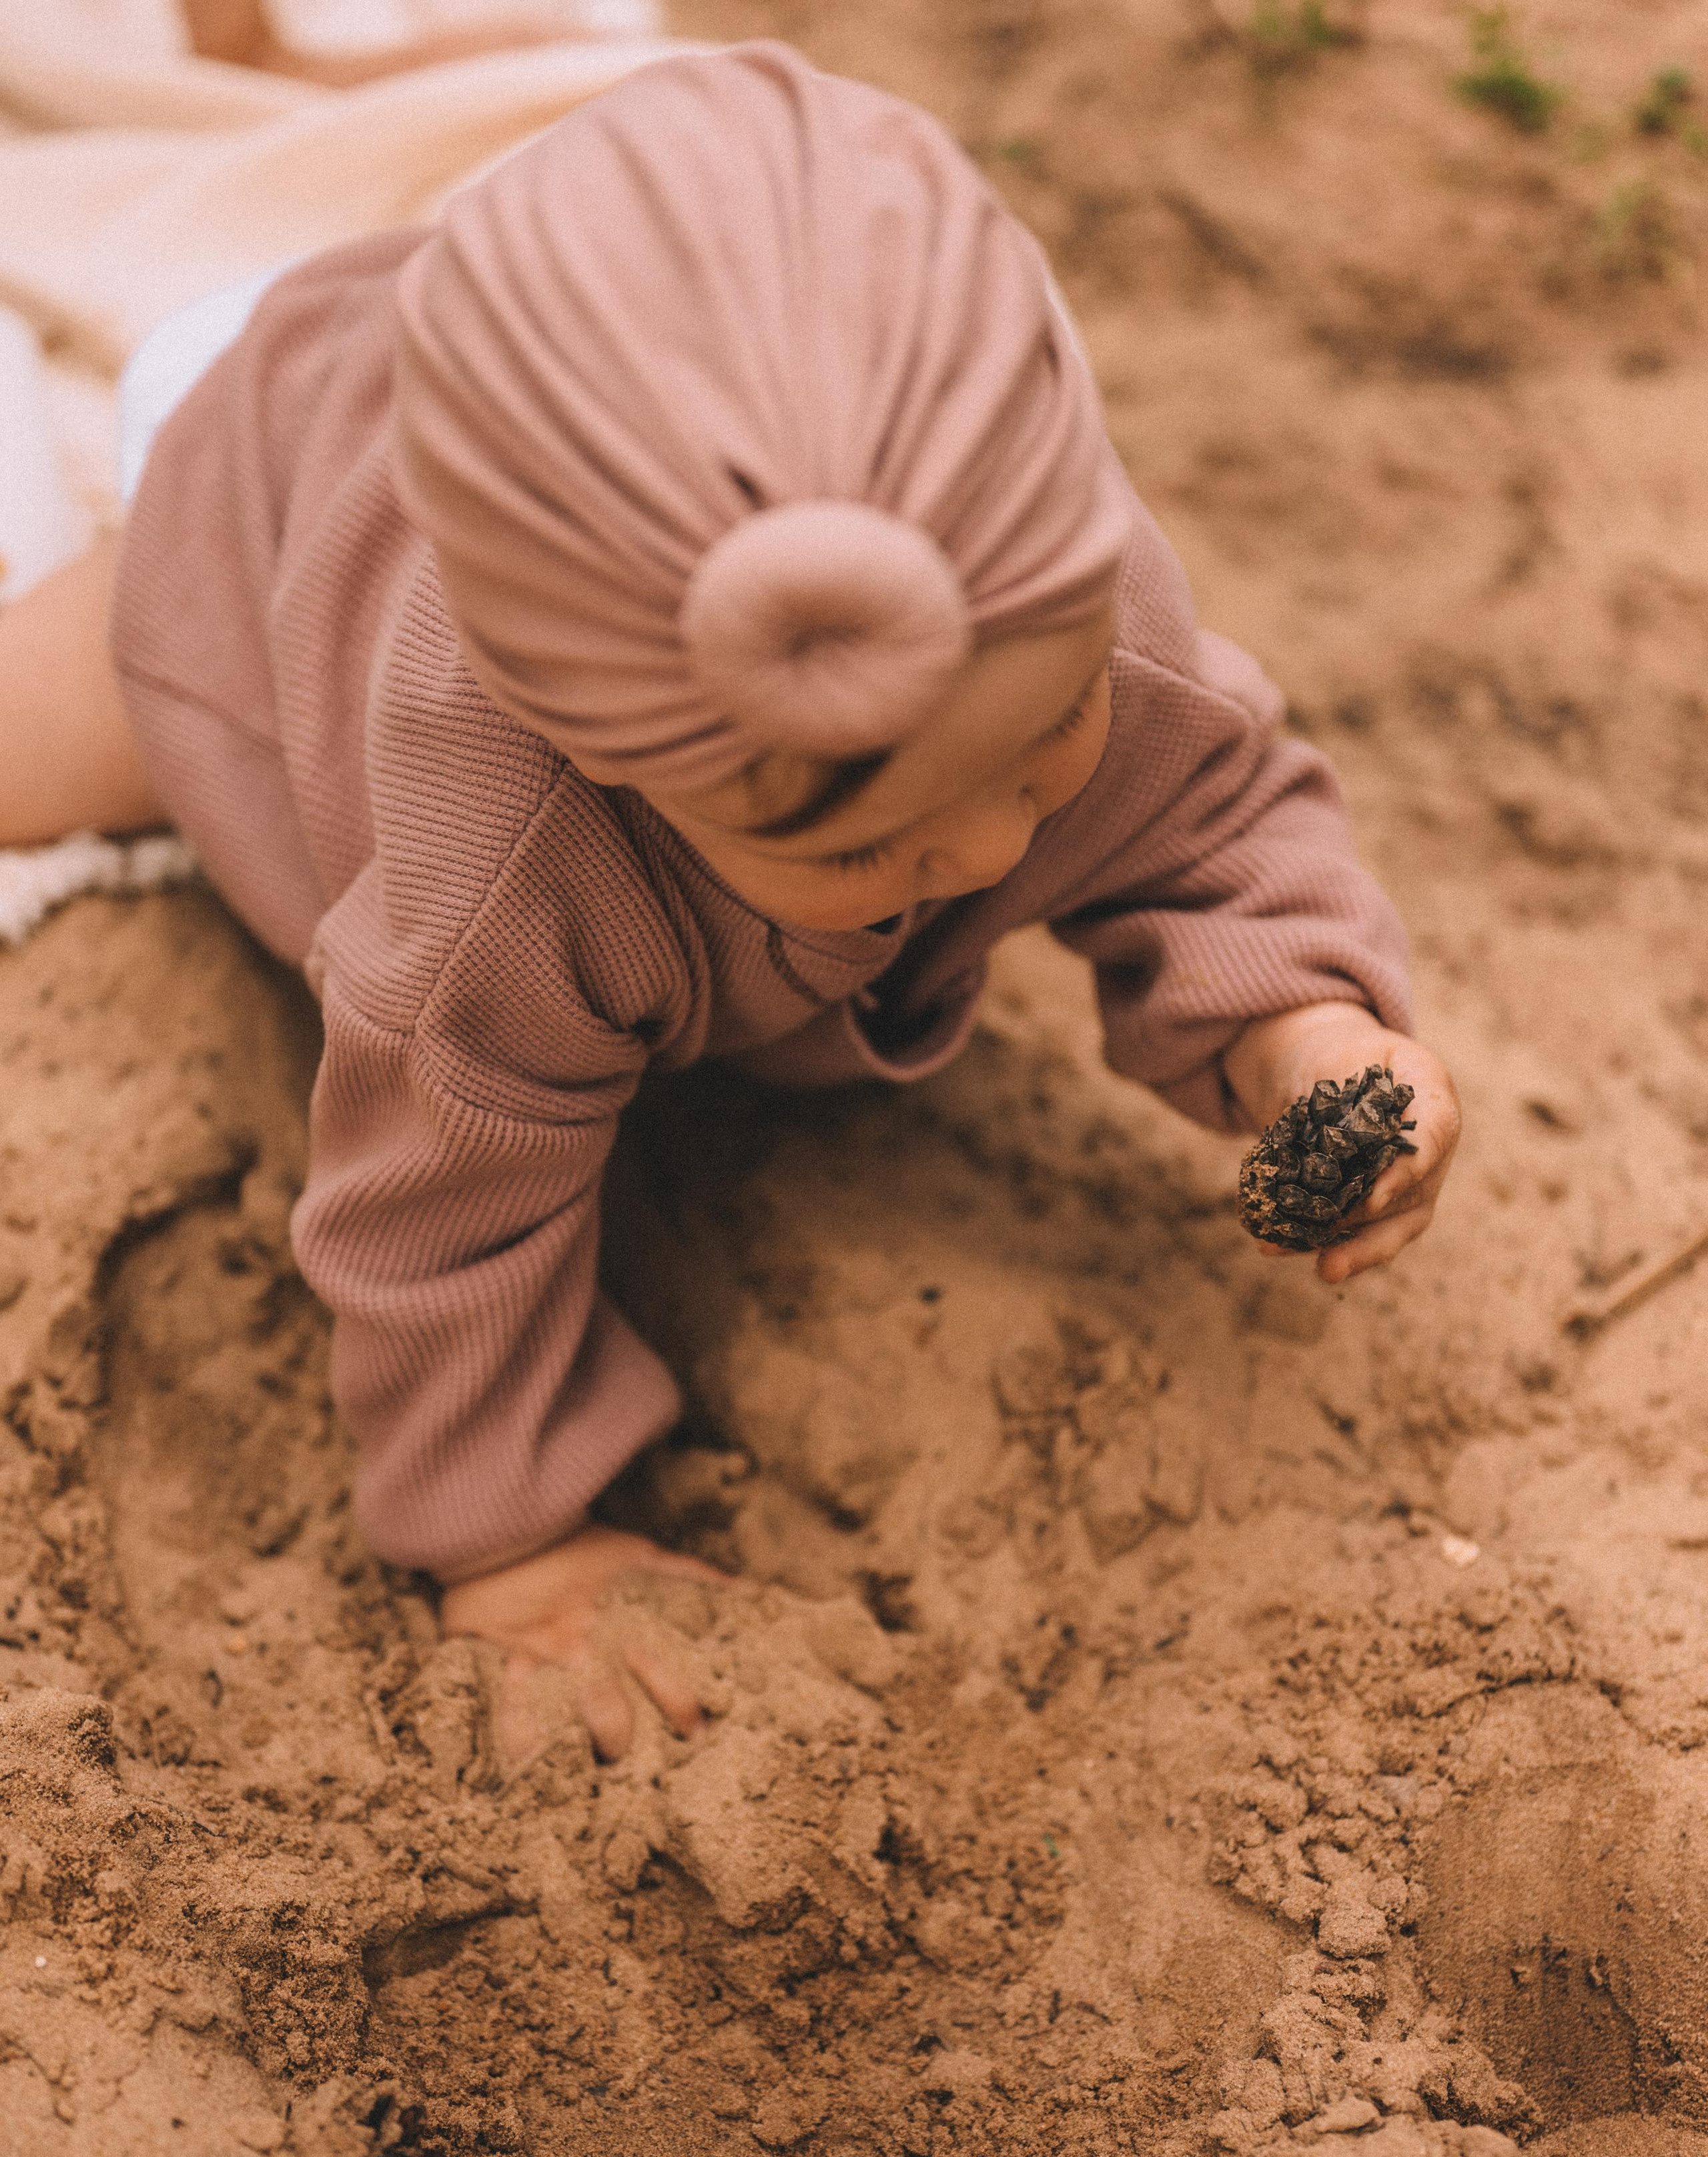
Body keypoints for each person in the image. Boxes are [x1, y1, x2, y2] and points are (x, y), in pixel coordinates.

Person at [0, 43, 1459, 1769]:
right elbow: (436, 1207)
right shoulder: (508, 872)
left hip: (583, 443)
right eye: (867, 848)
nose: (995, 847)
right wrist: (516, 1539)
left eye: (1048, 739)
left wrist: (1309, 1029)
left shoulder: (1054, 610)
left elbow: (1208, 810)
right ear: (627, 778)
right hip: (259, 519)